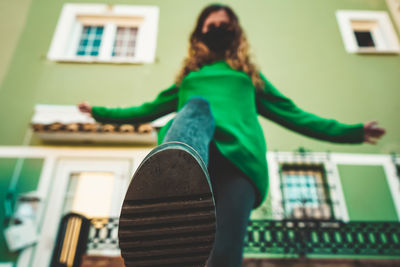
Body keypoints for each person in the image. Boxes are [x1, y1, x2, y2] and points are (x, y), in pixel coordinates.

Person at [78, 4, 386, 267]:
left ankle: (176, 167)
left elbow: (295, 115)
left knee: (223, 258)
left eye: (223, 24)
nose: (217, 28)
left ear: (234, 33)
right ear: (200, 34)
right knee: (196, 107)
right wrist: (98, 112)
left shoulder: (249, 78)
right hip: (195, 151)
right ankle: (174, 171)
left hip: (239, 165)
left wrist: (353, 133)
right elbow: (143, 110)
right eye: (210, 24)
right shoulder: (189, 79)